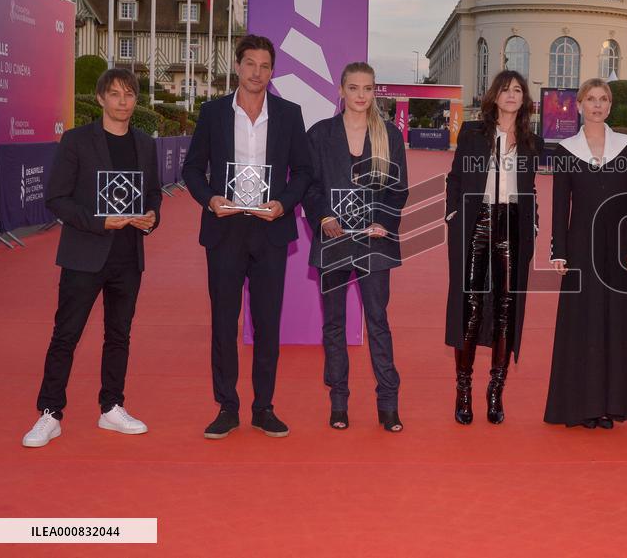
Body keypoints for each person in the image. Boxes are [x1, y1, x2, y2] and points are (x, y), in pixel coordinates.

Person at [22, 68, 161, 448]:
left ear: (136, 100)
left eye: (129, 95)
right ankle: (50, 413)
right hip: (84, 253)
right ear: (100, 98)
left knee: (119, 335)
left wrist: (150, 218)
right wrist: (100, 222)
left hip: (128, 256)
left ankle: (112, 407)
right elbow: (57, 199)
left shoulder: (146, 144)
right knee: (65, 335)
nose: (122, 102)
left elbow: (152, 194)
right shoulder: (76, 141)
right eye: (114, 94)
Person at [182, 34, 313, 440]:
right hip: (225, 229)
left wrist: (285, 204)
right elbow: (191, 169)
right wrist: (209, 199)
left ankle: (264, 407)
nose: (257, 72)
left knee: (268, 323)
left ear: (272, 72)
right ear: (237, 66)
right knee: (224, 321)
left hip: (271, 230)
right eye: (251, 63)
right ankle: (226, 407)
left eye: (265, 66)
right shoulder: (213, 112)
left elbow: (304, 172)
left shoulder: (290, 114)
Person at [303, 62, 408, 432]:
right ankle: (339, 402)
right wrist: (322, 218)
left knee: (378, 322)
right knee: (333, 324)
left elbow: (399, 190)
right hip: (333, 242)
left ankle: (388, 404)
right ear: (341, 91)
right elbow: (309, 185)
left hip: (374, 243)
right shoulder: (319, 135)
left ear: (373, 92)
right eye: (353, 88)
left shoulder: (390, 136)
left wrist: (385, 221)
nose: (361, 95)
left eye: (367, 88)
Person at [544, 78, 627, 429]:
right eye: (591, 99)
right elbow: (560, 206)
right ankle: (583, 406)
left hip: (618, 248)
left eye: (603, 99)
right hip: (580, 247)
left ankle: (612, 405)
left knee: (616, 322)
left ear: (610, 105)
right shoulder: (566, 150)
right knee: (583, 324)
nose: (597, 105)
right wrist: (558, 251)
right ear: (580, 105)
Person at [444, 70, 544, 425]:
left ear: (524, 98)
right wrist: (453, 215)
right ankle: (464, 389)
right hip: (477, 219)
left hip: (514, 223)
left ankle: (495, 391)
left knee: (506, 305)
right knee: (470, 304)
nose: (512, 95)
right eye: (506, 89)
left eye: (518, 90)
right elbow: (455, 178)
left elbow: (530, 188)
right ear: (495, 96)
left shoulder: (532, 140)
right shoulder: (473, 133)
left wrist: (532, 221)